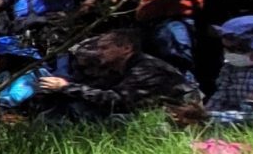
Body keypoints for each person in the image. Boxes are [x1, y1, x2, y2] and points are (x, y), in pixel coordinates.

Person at [29, 29, 203, 122]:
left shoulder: (145, 68)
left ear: (126, 49)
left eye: (105, 48)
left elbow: (116, 100)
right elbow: (99, 86)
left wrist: (66, 87)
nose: (99, 52)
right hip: (151, 110)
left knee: (108, 118)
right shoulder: (120, 68)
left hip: (179, 114)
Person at [208, 16, 253, 124]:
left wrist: (213, 117)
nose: (233, 54)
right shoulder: (231, 67)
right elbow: (220, 97)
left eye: (239, 49)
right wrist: (202, 114)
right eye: (228, 49)